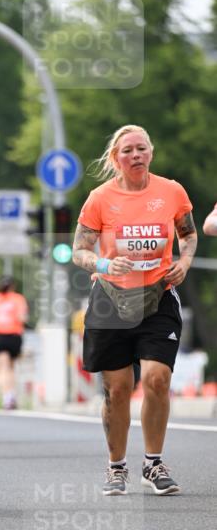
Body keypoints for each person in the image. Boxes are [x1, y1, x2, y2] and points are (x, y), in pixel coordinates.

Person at [72, 124, 197, 496]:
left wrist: (184, 262)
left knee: (157, 379)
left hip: (158, 296)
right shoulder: (99, 198)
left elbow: (189, 234)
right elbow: (79, 251)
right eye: (127, 150)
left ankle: (153, 463)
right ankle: (117, 467)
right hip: (111, 300)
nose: (136, 155)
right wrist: (105, 264)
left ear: (151, 152)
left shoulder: (171, 191)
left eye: (141, 148)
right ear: (116, 158)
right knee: (118, 388)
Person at [0, 276, 29, 409]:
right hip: (15, 336)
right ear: (13, 287)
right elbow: (22, 318)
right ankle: (12, 394)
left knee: (2, 369)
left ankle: (7, 397)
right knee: (11, 367)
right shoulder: (18, 299)